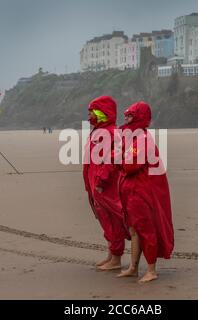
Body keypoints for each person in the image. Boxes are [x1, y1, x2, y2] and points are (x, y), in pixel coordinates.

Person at [117, 101, 174, 283]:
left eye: (130, 115)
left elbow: (130, 165)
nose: (126, 118)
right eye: (125, 115)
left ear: (139, 117)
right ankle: (133, 267)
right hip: (132, 191)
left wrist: (120, 157)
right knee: (134, 230)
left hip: (141, 192)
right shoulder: (134, 137)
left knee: (146, 230)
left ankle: (151, 269)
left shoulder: (141, 138)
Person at [83, 96, 128, 271]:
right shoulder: (98, 132)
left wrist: (101, 180)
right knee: (104, 219)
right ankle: (111, 254)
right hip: (95, 184)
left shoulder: (111, 133)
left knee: (112, 220)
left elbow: (112, 159)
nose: (88, 117)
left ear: (101, 113)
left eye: (91, 112)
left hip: (105, 185)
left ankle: (116, 259)